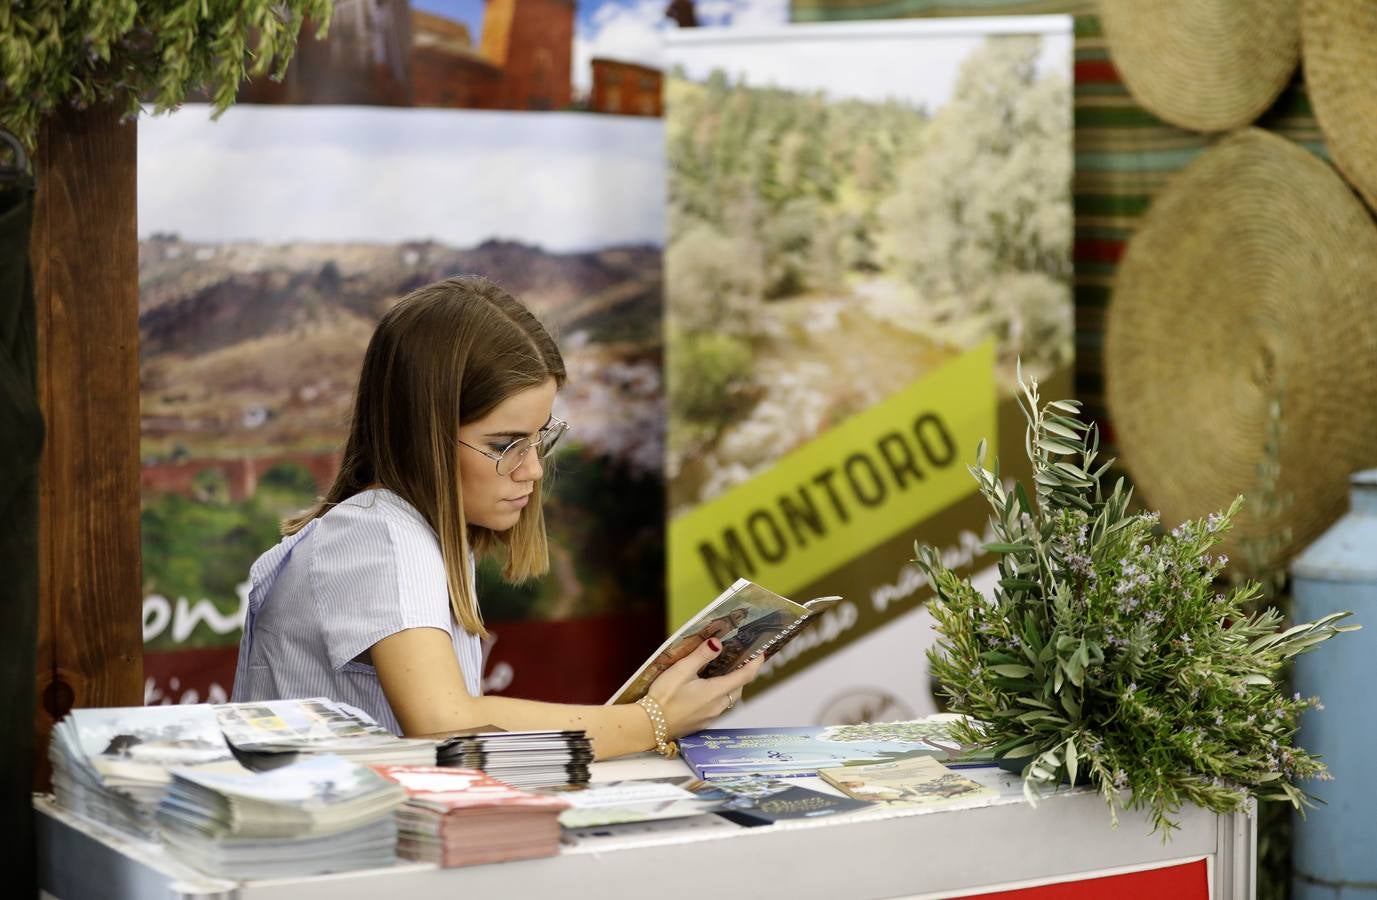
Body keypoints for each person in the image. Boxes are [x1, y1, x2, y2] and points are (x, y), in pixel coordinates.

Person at [230, 276, 760, 759]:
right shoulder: (377, 535)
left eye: (539, 439)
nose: (531, 469)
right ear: (425, 435)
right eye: (505, 444)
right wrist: (652, 720)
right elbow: (446, 724)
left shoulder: (413, 533)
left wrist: (645, 714)